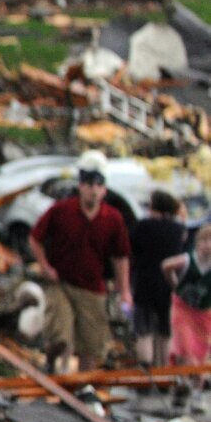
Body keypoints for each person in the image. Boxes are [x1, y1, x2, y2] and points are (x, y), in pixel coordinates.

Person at [28, 150, 132, 374]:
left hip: (93, 288)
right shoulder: (62, 211)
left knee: (92, 345)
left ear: (104, 189)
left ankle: (84, 387)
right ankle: (53, 366)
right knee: (61, 336)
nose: (93, 190)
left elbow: (121, 257)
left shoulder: (113, 219)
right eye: (88, 184)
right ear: (80, 185)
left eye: (98, 185)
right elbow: (35, 238)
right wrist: (45, 266)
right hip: (61, 283)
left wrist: (124, 291)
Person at [130, 189, 185, 369]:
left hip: (144, 282)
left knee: (143, 330)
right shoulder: (178, 230)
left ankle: (146, 370)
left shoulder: (142, 226)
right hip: (168, 284)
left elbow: (132, 251)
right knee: (165, 331)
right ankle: (165, 371)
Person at [162, 222, 211, 397]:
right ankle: (182, 382)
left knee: (202, 348)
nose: (208, 246)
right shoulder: (189, 259)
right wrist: (175, 285)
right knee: (185, 345)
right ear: (197, 243)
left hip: (204, 312)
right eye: (204, 241)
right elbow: (167, 265)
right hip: (183, 307)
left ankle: (197, 385)